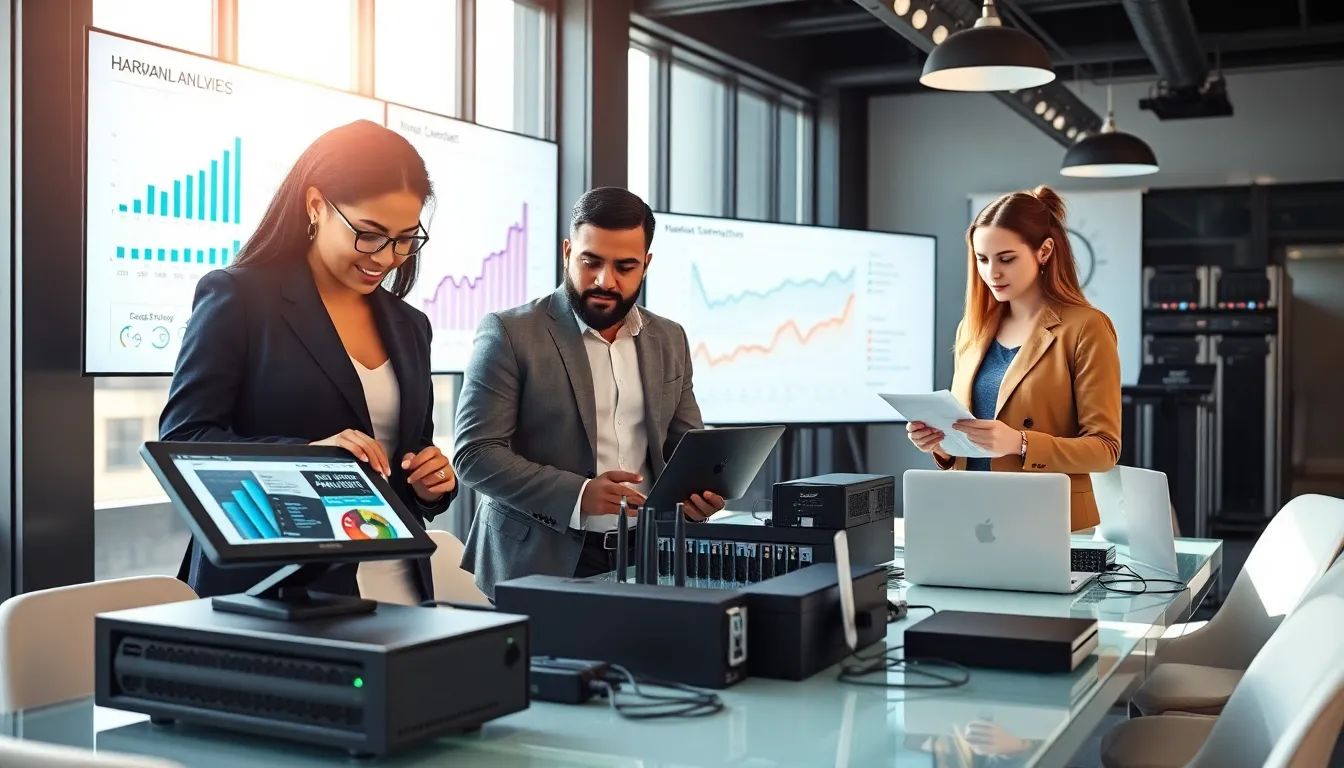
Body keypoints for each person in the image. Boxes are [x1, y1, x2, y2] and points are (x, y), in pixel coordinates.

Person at [160, 119, 457, 602]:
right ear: (316, 205)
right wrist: (306, 459)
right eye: (369, 233)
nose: (386, 257)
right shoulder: (239, 297)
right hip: (274, 590)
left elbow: (402, 457)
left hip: (398, 584)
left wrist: (430, 484)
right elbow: (185, 441)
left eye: (405, 239)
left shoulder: (410, 326)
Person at [455, 187, 725, 598]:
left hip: (650, 556)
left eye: (625, 266)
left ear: (646, 265)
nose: (605, 281)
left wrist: (700, 495)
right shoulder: (510, 333)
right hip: (537, 560)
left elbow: (686, 446)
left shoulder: (670, 338)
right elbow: (474, 453)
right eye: (591, 261)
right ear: (567, 251)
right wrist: (578, 495)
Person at [906, 185, 1120, 531]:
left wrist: (1020, 443)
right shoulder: (972, 330)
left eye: (1006, 259)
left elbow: (1105, 449)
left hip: (1047, 518)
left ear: (1045, 251)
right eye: (982, 259)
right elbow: (970, 433)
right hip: (971, 516)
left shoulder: (1086, 327)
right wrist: (941, 444)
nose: (992, 273)